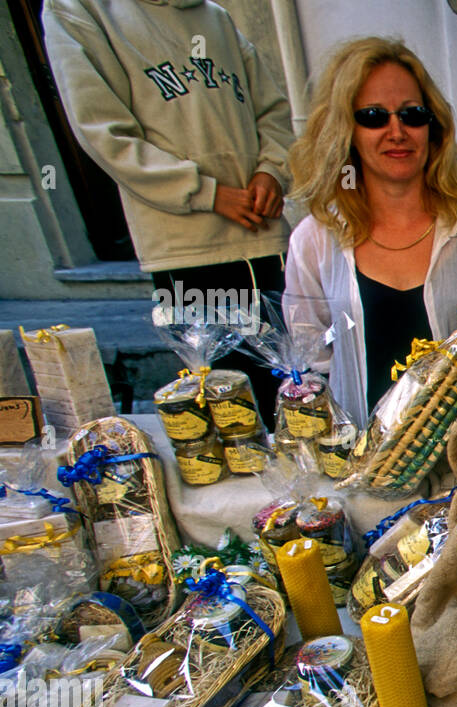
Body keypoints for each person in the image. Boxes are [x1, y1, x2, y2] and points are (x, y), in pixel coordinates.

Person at [43, 0, 294, 416]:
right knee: (232, 406)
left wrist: (272, 170)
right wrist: (205, 192)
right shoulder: (80, 10)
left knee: (298, 389)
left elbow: (272, 110)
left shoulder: (215, 17)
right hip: (189, 244)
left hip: (265, 238)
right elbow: (105, 134)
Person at [285, 37, 457, 422]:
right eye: (374, 116)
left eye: (412, 114)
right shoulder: (315, 240)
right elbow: (313, 361)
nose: (396, 131)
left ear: (433, 128)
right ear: (345, 129)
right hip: (359, 468)